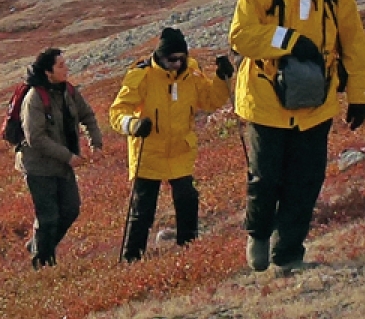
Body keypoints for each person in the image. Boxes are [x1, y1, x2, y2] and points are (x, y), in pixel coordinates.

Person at [228, 0, 365, 271]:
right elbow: (241, 35)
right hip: (265, 103)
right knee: (265, 179)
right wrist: (289, 41)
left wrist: (360, 95)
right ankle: (259, 233)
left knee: (305, 184)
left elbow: (354, 43)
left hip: (317, 104)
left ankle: (288, 254)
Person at [107, 28, 234, 261]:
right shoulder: (141, 76)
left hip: (180, 151)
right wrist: (133, 125)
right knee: (142, 210)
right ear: (160, 56)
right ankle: (131, 259)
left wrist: (222, 79)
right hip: (149, 153)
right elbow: (117, 111)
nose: (177, 63)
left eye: (181, 58)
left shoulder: (192, 74)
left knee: (187, 199)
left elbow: (210, 100)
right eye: (171, 59)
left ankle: (189, 250)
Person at [15, 47, 102, 268]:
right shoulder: (35, 98)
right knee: (48, 218)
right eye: (61, 65)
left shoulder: (69, 92)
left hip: (62, 165)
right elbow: (36, 138)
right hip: (38, 167)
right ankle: (43, 264)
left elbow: (87, 115)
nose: (66, 69)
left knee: (71, 210)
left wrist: (96, 144)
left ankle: (38, 246)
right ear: (48, 72)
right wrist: (68, 157)